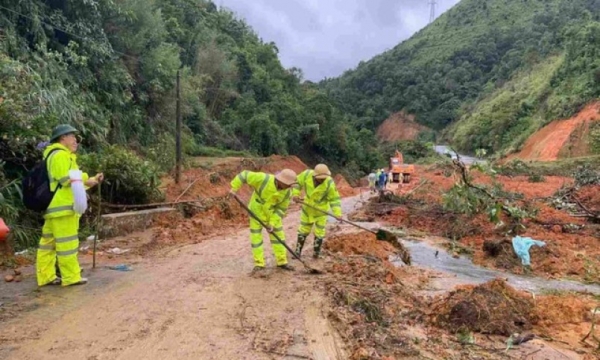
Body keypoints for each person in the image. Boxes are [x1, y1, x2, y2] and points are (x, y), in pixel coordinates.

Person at [37, 124, 103, 287]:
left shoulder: (56, 155)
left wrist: (92, 180)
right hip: (63, 208)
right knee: (67, 244)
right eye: (72, 136)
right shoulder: (60, 155)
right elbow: (66, 179)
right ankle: (71, 276)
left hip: (54, 208)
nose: (76, 140)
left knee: (48, 245)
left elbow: (74, 182)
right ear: (62, 138)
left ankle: (46, 276)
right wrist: (87, 177)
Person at [229, 169, 297, 274]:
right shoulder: (263, 179)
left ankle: (282, 261)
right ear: (281, 181)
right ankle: (259, 264)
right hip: (256, 212)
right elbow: (244, 175)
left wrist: (272, 223)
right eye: (287, 185)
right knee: (256, 239)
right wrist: (234, 188)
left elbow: (281, 209)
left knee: (279, 238)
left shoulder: (288, 192)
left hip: (272, 215)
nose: (289, 187)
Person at [292, 164, 342, 259]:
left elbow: (334, 199)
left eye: (324, 178)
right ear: (315, 176)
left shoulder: (329, 182)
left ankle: (316, 254)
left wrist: (337, 213)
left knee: (319, 232)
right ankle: (297, 252)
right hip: (307, 209)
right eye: (320, 178)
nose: (322, 180)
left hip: (321, 212)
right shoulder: (306, 175)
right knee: (303, 230)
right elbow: (297, 183)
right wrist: (295, 194)